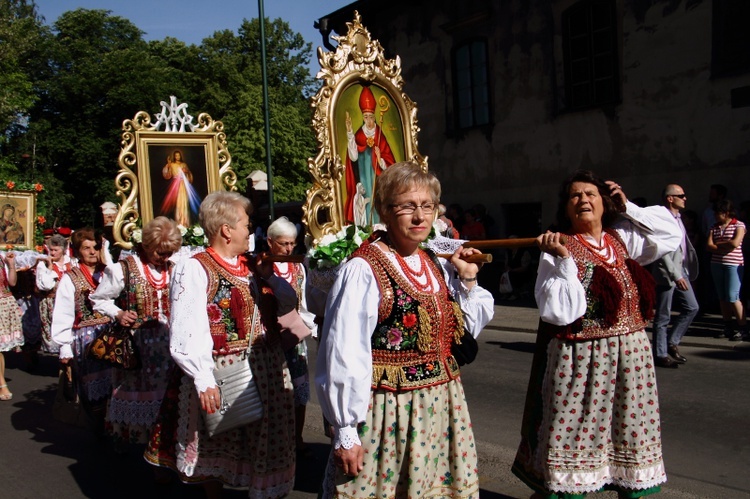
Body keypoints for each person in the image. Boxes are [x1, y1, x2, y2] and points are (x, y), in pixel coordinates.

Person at [316, 161, 495, 498]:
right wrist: (345, 429)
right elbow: (343, 351)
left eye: (427, 206)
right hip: (387, 413)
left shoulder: (432, 263)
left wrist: (468, 277)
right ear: (385, 210)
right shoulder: (362, 268)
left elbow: (460, 331)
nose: (420, 217)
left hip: (440, 407)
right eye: (408, 206)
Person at [512, 170, 682, 498]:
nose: (583, 200)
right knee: (574, 441)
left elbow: (672, 233)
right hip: (581, 363)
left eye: (590, 194)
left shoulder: (622, 240)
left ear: (605, 204)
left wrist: (628, 206)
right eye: (575, 196)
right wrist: (563, 262)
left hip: (631, 361)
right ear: (566, 208)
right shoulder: (559, 247)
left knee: (631, 438)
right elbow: (557, 312)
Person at [145, 191, 297, 499]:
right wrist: (202, 378)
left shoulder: (254, 267)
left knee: (263, 444)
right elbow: (187, 329)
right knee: (219, 445)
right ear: (226, 230)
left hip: (266, 367)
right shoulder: (195, 268)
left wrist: (273, 280)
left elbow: (289, 305)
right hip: (224, 370)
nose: (249, 230)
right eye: (245, 223)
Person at [90, 216, 181, 449]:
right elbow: (99, 299)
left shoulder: (173, 268)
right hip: (138, 347)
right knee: (142, 396)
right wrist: (119, 314)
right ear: (148, 246)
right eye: (161, 252)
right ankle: (144, 446)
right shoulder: (124, 269)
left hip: (169, 344)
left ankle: (163, 447)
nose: (165, 258)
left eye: (169, 253)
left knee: (168, 399)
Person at [266, 216, 319, 457]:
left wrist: (306, 328)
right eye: (283, 243)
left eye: (292, 243)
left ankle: (297, 437)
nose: (289, 248)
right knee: (274, 390)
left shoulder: (298, 267)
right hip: (269, 339)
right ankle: (276, 439)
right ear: (270, 242)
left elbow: (305, 302)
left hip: (295, 337)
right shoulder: (262, 267)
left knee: (299, 389)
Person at [51, 228, 113, 427]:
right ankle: (97, 425)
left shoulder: (110, 272)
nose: (92, 252)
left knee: (115, 384)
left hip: (112, 336)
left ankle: (116, 428)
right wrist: (64, 346)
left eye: (96, 247)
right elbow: (63, 312)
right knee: (91, 388)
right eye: (86, 248)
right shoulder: (71, 278)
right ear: (78, 251)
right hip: (85, 340)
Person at [651, 184, 700, 368]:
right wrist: (675, 274)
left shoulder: (679, 218)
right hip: (668, 273)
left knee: (692, 307)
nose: (685, 198)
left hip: (682, 270)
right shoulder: (662, 219)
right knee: (663, 315)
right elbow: (661, 251)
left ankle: (672, 342)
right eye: (681, 195)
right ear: (670, 198)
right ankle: (660, 354)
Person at [344, 85, 396, 224]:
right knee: (366, 202)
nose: (368, 120)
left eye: (371, 117)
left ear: (374, 116)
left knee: (379, 201)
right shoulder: (359, 135)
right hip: (363, 177)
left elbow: (390, 161)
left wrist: (380, 160)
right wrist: (349, 133)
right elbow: (353, 157)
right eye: (365, 117)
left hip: (378, 178)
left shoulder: (380, 136)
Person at [707, 199, 746, 340]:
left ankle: (743, 327)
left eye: (719, 213)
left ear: (727, 213)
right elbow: (708, 245)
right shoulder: (714, 226)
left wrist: (718, 244)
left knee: (732, 296)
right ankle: (727, 326)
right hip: (716, 263)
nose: (716, 216)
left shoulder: (739, 225)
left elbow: (735, 243)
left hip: (733, 264)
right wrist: (725, 245)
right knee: (722, 297)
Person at [35, 234, 73, 353]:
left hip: (68, 302)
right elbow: (46, 286)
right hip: (52, 303)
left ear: (63, 250)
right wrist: (50, 267)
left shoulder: (71, 263)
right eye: (50, 250)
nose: (52, 253)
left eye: (55, 250)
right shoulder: (44, 265)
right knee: (55, 333)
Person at [0, 251, 21, 401]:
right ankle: (2, 384)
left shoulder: (1, 257)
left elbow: (12, 283)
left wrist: (11, 265)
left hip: (4, 304)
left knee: (1, 349)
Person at [161, 150, 201, 226]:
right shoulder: (172, 164)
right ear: (174, 156)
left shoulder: (184, 164)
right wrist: (168, 165)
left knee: (184, 203)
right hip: (175, 186)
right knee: (177, 203)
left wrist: (187, 172)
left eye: (178, 155)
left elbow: (189, 176)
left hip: (184, 185)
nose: (177, 157)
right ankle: (178, 222)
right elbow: (167, 175)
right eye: (176, 155)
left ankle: (185, 222)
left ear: (180, 156)